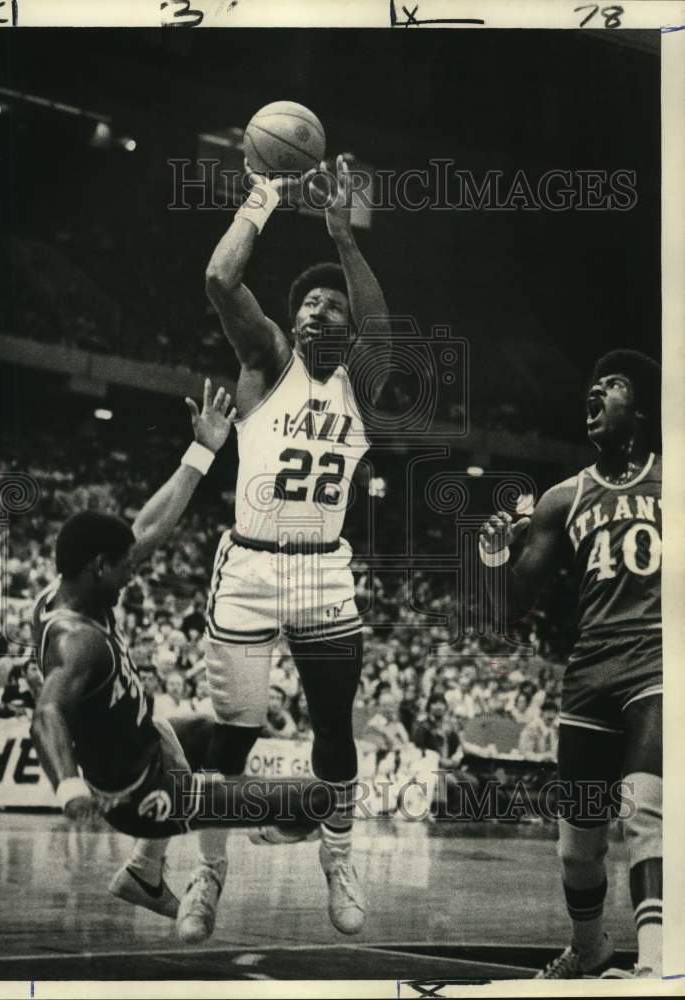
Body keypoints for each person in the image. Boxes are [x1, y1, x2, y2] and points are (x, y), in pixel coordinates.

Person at [180, 152, 391, 943]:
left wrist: (344, 240)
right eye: (304, 304)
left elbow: (381, 327)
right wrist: (263, 197)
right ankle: (208, 874)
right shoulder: (267, 362)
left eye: (328, 307)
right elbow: (218, 281)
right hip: (250, 563)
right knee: (231, 735)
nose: (312, 313)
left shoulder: (361, 383)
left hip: (322, 568)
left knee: (332, 725)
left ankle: (338, 860)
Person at [30, 381, 337, 924]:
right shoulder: (78, 640)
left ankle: (144, 876)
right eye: (125, 568)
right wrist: (68, 786)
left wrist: (202, 451)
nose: (135, 573)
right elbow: (47, 712)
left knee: (233, 731)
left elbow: (145, 529)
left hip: (154, 740)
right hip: (142, 796)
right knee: (317, 798)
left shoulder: (70, 590)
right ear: (100, 567)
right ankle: (256, 828)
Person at [479, 350, 662, 979]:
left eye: (612, 384)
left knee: (645, 807)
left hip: (657, 662)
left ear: (639, 411)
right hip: (589, 676)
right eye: (593, 382)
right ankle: (590, 947)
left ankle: (660, 966)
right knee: (577, 848)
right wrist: (499, 558)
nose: (596, 390)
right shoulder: (563, 499)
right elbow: (509, 614)